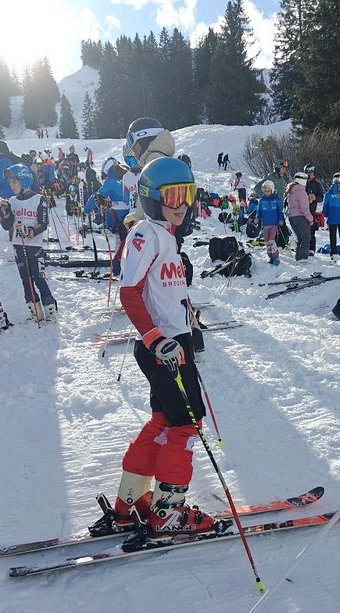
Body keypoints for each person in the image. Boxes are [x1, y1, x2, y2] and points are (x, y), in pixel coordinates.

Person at [90, 156, 215, 546]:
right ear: (151, 197)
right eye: (173, 196)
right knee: (188, 425)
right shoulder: (146, 234)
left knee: (163, 420)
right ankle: (168, 513)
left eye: (187, 194)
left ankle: (130, 502)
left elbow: (161, 290)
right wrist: (155, 338)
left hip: (171, 343)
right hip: (165, 348)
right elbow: (129, 293)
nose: (183, 204)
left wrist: (184, 311)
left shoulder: (165, 235)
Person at [0, 164, 57, 323]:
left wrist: (30, 231)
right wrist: (5, 214)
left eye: (15, 181)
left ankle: (51, 310)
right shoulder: (12, 201)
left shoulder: (39, 199)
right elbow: (7, 226)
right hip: (18, 245)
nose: (12, 185)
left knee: (38, 278)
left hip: (34, 246)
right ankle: (35, 312)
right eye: (10, 182)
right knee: (26, 279)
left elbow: (43, 223)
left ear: (24, 180)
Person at [125, 116, 175, 224]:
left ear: (144, 139)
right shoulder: (159, 160)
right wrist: (137, 217)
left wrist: (139, 223)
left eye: (132, 141)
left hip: (154, 231)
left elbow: (155, 209)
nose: (132, 148)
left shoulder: (154, 162)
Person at [285, 171, 313, 262]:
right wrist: (311, 219)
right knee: (306, 238)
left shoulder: (291, 190)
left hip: (292, 218)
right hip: (300, 218)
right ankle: (303, 259)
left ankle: (298, 257)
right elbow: (304, 208)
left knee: (300, 238)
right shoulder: (301, 191)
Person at [256, 180, 285, 266]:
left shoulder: (276, 199)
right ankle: (271, 257)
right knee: (267, 241)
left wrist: (281, 219)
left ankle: (276, 257)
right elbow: (259, 211)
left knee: (272, 240)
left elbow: (280, 211)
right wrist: (257, 218)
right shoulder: (262, 200)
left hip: (274, 223)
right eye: (265, 191)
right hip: (265, 224)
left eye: (268, 191)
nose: (266, 193)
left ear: (272, 190)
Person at [304, 164, 324, 255]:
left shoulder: (317, 184)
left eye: (311, 172)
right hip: (301, 210)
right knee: (302, 230)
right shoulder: (302, 183)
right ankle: (303, 247)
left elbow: (321, 197)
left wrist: (315, 198)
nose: (310, 174)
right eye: (308, 172)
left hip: (311, 210)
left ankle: (311, 249)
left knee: (311, 230)